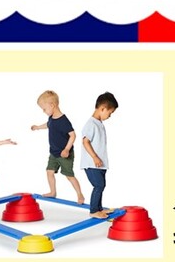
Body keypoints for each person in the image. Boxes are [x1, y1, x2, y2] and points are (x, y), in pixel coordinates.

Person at [30, 90, 84, 205]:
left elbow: (73, 135)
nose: (43, 111)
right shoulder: (51, 118)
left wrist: (67, 149)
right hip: (54, 153)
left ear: (52, 105)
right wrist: (38, 127)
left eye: (44, 109)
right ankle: (53, 192)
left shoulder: (63, 121)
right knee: (49, 171)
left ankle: (80, 194)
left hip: (64, 154)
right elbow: (48, 125)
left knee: (69, 175)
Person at [81, 91, 118, 219]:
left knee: (101, 186)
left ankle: (99, 208)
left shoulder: (98, 123)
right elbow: (85, 142)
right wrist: (95, 157)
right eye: (110, 113)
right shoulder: (91, 124)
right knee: (99, 185)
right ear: (102, 108)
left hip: (100, 164)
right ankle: (93, 211)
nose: (110, 116)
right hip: (92, 164)